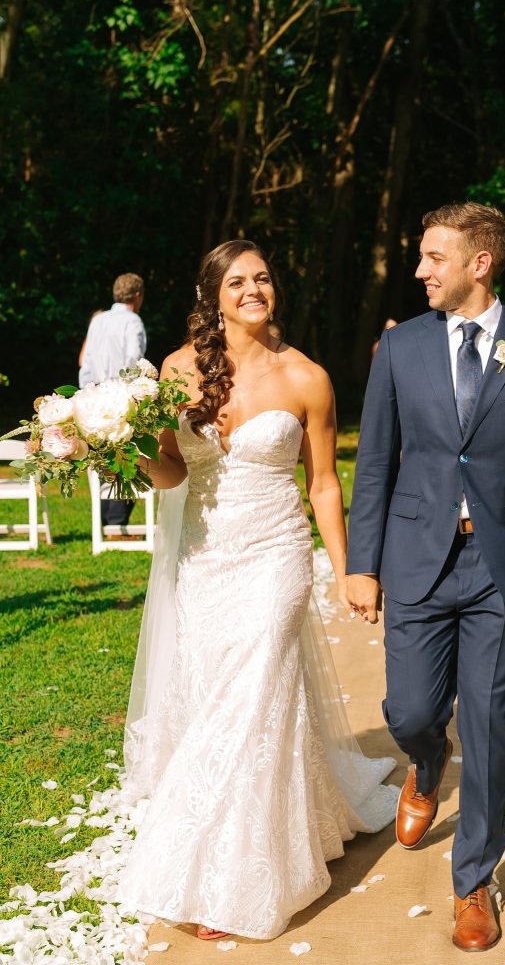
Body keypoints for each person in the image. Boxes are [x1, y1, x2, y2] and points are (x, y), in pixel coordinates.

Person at [118, 240, 397, 941]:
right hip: (204, 560)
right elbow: (173, 473)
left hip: (276, 559)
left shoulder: (307, 377)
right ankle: (294, 822)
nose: (253, 289)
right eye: (237, 280)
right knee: (224, 701)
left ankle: (222, 875)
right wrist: (118, 449)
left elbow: (324, 485)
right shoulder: (177, 371)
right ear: (212, 294)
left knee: (248, 703)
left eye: (263, 277)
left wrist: (347, 568)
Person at [346, 202, 505, 952]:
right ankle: (425, 765)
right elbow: (374, 466)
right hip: (415, 558)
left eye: (433, 257)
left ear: (478, 264)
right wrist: (362, 563)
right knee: (410, 709)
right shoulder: (400, 350)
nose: (420, 270)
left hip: (502, 567)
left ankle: (472, 881)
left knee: (490, 724)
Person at [79, 273, 147, 526]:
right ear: (137, 296)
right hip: (121, 396)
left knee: (100, 457)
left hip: (94, 397)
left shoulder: (98, 321)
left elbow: (86, 363)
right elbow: (134, 359)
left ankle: (104, 520)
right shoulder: (133, 321)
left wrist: (84, 394)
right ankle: (116, 521)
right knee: (126, 455)